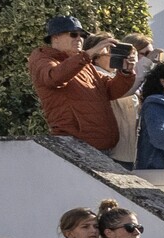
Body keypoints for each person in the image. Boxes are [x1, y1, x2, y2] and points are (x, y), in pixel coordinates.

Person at [26, 15, 135, 151]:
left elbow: (109, 90)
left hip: (98, 145)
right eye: (73, 35)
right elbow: (54, 78)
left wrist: (125, 73)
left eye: (82, 35)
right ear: (55, 38)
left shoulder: (82, 61)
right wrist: (87, 54)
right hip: (75, 144)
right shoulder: (42, 58)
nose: (79, 39)